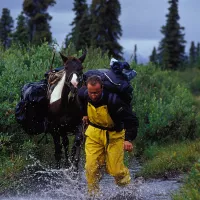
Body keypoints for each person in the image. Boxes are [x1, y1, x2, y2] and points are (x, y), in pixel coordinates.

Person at [78, 75, 138, 196]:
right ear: (87, 89)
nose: (93, 95)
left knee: (115, 170)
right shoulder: (84, 94)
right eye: (91, 92)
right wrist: (84, 114)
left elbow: (132, 120)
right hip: (94, 134)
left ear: (102, 88)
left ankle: (129, 189)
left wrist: (128, 139)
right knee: (91, 167)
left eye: (96, 92)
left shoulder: (114, 101)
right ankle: (93, 195)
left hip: (114, 136)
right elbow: (80, 100)